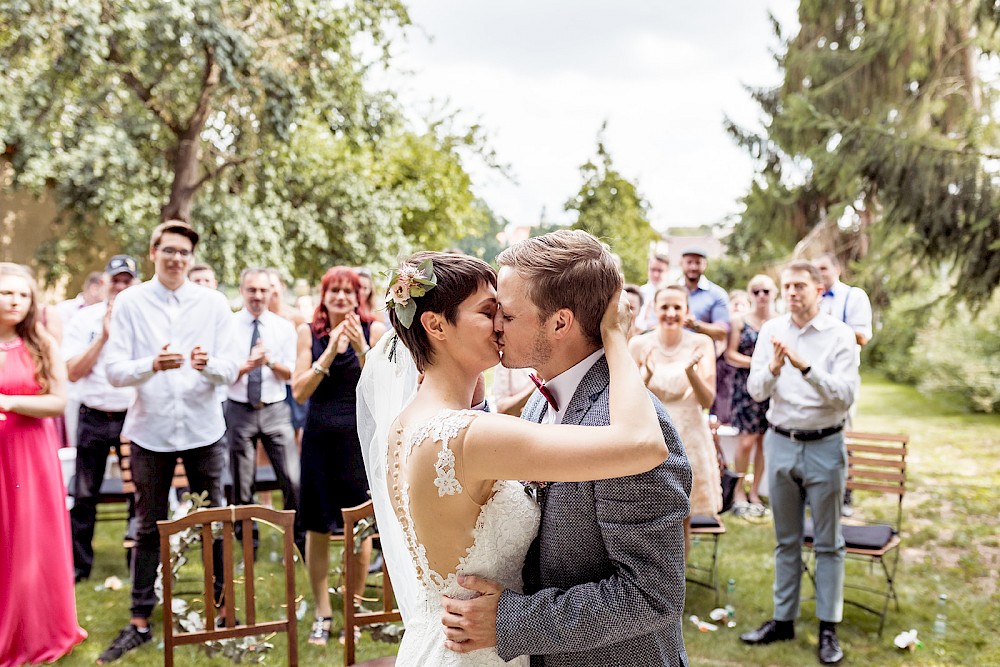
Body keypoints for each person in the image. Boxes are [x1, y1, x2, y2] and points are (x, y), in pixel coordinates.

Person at [431, 230, 692, 667]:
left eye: (508, 316)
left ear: (560, 323)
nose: (496, 325)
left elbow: (653, 594)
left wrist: (513, 622)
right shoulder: (540, 398)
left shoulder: (630, 425)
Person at [98, 220, 241, 664]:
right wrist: (150, 365)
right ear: (153, 252)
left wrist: (209, 365)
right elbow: (114, 370)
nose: (177, 258)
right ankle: (140, 619)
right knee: (148, 526)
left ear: (191, 257)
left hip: (203, 429)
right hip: (150, 430)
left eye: (184, 252)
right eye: (170, 250)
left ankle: (221, 614)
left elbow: (232, 368)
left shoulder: (213, 303)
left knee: (213, 522)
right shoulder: (130, 302)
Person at [741, 261, 858, 666]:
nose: (791, 292)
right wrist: (773, 369)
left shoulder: (840, 336)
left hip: (826, 444)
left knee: (828, 542)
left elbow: (844, 396)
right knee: (785, 540)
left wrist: (805, 368)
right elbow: (756, 392)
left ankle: (828, 629)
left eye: (799, 286)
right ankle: (783, 620)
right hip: (781, 443)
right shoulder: (771, 331)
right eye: (786, 285)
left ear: (819, 289)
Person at [291, 266, 386, 645]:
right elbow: (299, 392)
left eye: (349, 291)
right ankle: (322, 612)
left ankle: (354, 609)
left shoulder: (375, 330)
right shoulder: (306, 333)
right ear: (324, 295)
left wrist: (361, 349)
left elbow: (380, 387)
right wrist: (329, 352)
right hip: (317, 440)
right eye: (335, 291)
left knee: (357, 526)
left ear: (358, 296)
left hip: (356, 440)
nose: (342, 297)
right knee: (315, 527)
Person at [0, 262, 88, 665]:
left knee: (30, 540)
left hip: (30, 453)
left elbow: (58, 401)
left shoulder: (42, 343)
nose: (15, 301)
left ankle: (38, 631)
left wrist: (11, 402)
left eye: (22, 294)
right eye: (6, 293)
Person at [63, 254, 139, 582]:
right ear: (105, 282)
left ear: (134, 283)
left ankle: (135, 562)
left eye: (127, 280)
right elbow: (73, 371)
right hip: (93, 414)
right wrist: (104, 337)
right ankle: (80, 567)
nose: (120, 286)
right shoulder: (85, 320)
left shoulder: (141, 319)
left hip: (131, 416)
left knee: (137, 492)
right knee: (84, 495)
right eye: (116, 280)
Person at [630, 285, 720, 552]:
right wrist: (646, 374)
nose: (671, 313)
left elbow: (708, 400)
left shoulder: (702, 343)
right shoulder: (638, 344)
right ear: (655, 310)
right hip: (651, 434)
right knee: (646, 514)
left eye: (677, 307)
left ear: (687, 311)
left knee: (683, 518)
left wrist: (691, 371)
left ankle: (678, 584)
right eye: (665, 307)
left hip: (689, 436)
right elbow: (629, 399)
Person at [225, 268, 303, 553]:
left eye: (262, 290)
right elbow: (223, 374)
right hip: (239, 409)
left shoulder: (282, 327)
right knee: (242, 485)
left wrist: (268, 361)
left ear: (270, 292)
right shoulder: (228, 326)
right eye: (251, 290)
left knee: (292, 479)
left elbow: (291, 373)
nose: (257, 296)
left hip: (275, 410)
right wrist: (247, 363)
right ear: (242, 291)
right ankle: (248, 545)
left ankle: (297, 540)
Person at [814, 252, 873, 516]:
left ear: (837, 269)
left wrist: (828, 328)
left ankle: (844, 495)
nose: (820, 274)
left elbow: (863, 335)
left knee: (842, 433)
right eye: (815, 270)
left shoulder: (854, 296)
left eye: (824, 268)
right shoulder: (807, 300)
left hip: (841, 377)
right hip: (808, 377)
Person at [725, 274, 778, 518]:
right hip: (745, 387)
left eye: (765, 291)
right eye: (756, 291)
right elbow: (730, 355)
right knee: (745, 442)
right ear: (750, 294)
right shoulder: (739, 321)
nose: (761, 296)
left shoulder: (779, 322)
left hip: (771, 388)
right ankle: (738, 491)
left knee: (762, 444)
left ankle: (755, 492)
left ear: (773, 293)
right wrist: (757, 364)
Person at [635, 253, 670, 332]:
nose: (655, 274)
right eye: (652, 269)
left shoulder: (671, 294)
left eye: (660, 271)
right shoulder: (640, 292)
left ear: (667, 271)